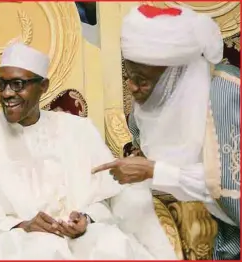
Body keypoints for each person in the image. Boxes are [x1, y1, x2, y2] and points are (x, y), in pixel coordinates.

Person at [0, 42, 177, 259]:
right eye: (1, 84)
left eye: (18, 84)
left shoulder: (78, 130)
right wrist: (20, 225)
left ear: (43, 86)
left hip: (80, 238)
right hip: (12, 241)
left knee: (112, 244)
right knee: (43, 250)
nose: (7, 93)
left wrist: (86, 218)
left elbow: (105, 198)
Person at [92, 5, 240, 259]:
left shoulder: (225, 95)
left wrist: (154, 170)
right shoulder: (152, 100)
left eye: (142, 80)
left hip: (227, 230)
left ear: (176, 74)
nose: (132, 88)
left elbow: (227, 183)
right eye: (129, 75)